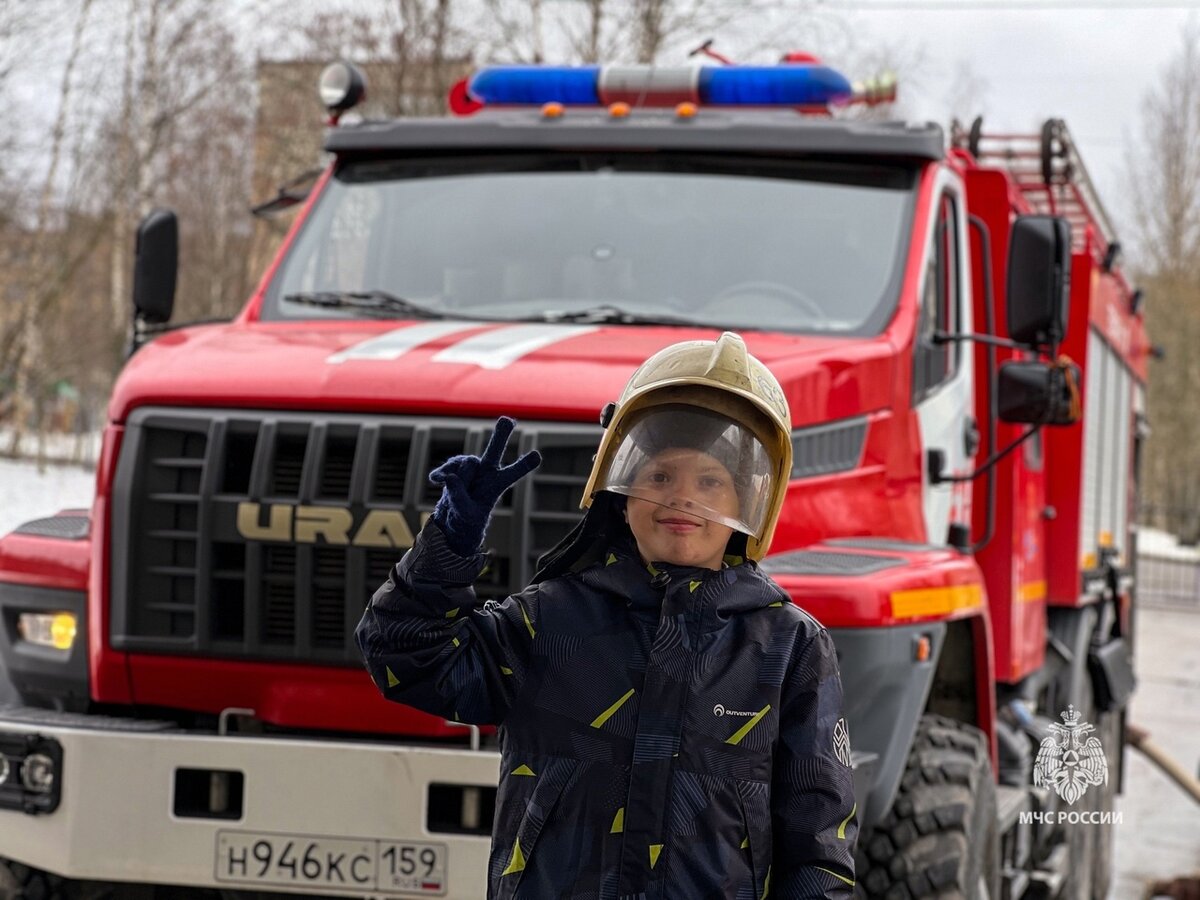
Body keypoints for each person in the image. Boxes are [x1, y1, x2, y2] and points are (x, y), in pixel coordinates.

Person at [356, 332, 858, 899]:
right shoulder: (551, 622)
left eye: (711, 482)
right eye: (660, 476)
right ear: (620, 493)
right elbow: (406, 657)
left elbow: (819, 842)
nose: (681, 499)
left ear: (749, 503)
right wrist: (449, 540)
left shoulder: (786, 648)